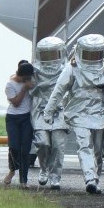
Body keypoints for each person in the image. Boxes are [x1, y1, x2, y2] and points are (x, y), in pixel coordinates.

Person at [44, 34, 104, 194]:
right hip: (78, 112)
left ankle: (95, 179)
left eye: (96, 54)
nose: (93, 58)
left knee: (98, 149)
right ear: (80, 52)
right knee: (84, 145)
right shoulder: (72, 68)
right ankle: (90, 179)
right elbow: (59, 90)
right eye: (89, 54)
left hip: (99, 112)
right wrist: (48, 110)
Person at [31, 37, 70, 189]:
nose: (50, 58)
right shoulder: (35, 70)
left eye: (53, 54)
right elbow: (29, 87)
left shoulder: (68, 68)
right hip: (41, 111)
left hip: (60, 111)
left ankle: (55, 177)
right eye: (45, 55)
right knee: (42, 143)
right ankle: (43, 168)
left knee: (58, 145)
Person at [4, 60, 35, 188]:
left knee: (25, 150)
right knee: (14, 146)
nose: (29, 80)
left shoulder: (30, 79)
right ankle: (13, 169)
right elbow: (16, 103)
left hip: (26, 118)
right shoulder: (10, 85)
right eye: (27, 78)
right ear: (22, 76)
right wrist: (24, 88)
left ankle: (23, 181)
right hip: (12, 118)